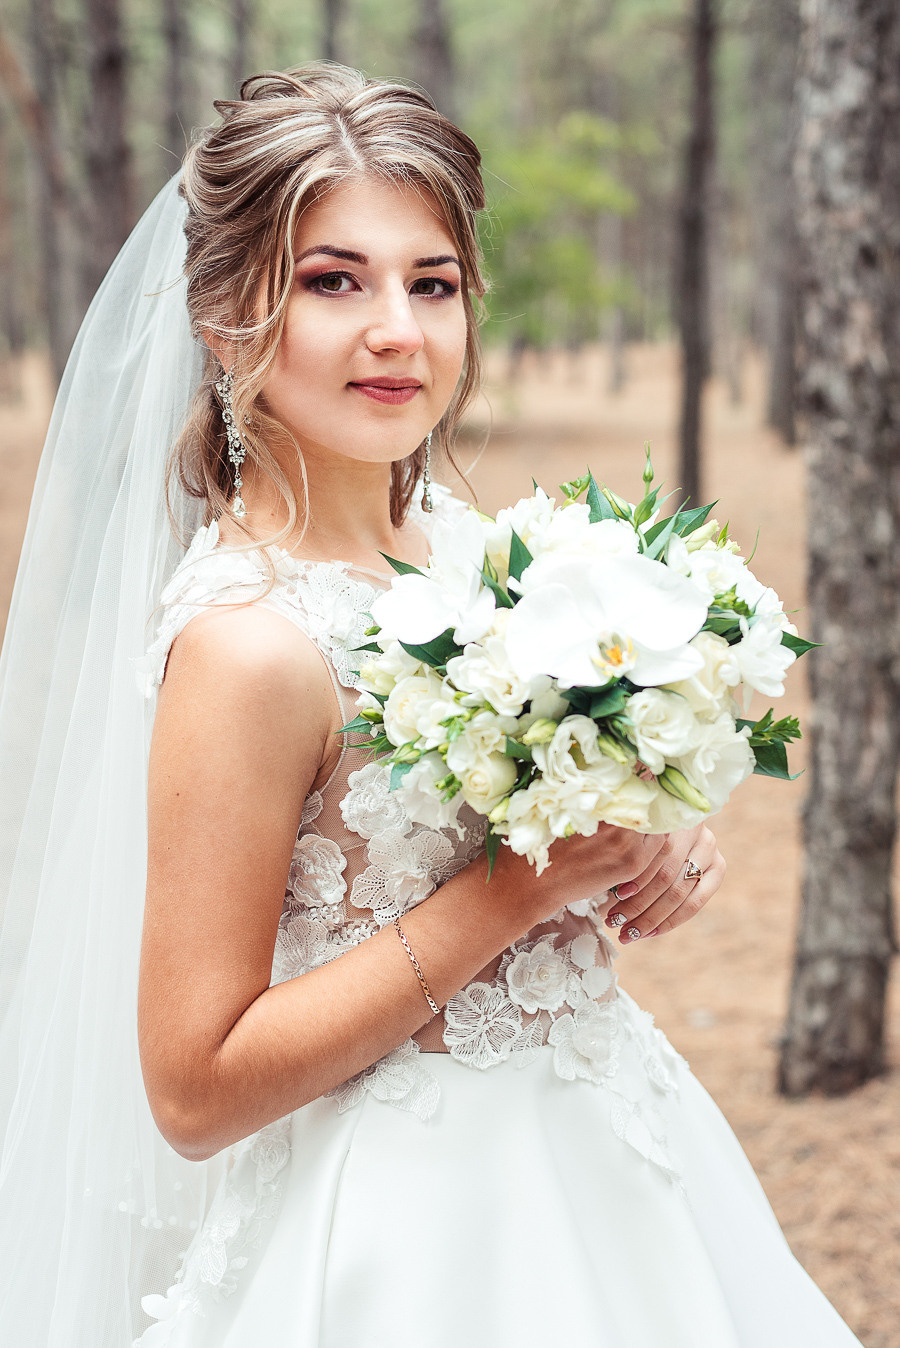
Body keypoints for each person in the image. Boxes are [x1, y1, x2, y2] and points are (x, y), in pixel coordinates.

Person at [0, 64, 862, 1348]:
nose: (398, 329)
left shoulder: (475, 553)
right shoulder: (248, 648)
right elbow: (193, 1085)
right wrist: (515, 896)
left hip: (613, 1151)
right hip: (410, 1237)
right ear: (230, 314)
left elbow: (552, 811)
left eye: (433, 282)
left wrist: (651, 825)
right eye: (334, 280)